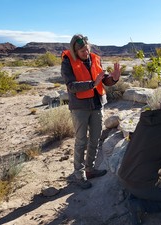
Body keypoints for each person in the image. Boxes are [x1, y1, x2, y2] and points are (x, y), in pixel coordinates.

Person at [61, 34, 121, 189]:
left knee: (95, 139)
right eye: (81, 50)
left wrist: (114, 78)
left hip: (97, 105)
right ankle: (79, 175)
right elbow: (71, 86)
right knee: (81, 141)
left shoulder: (95, 58)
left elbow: (103, 79)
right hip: (79, 107)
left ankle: (90, 169)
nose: (85, 52)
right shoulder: (67, 62)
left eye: (86, 49)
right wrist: (92, 84)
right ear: (74, 50)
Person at [118, 95, 161, 224]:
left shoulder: (144, 119)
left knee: (160, 175)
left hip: (123, 176)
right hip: (141, 183)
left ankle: (136, 194)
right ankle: (140, 206)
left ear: (160, 106)